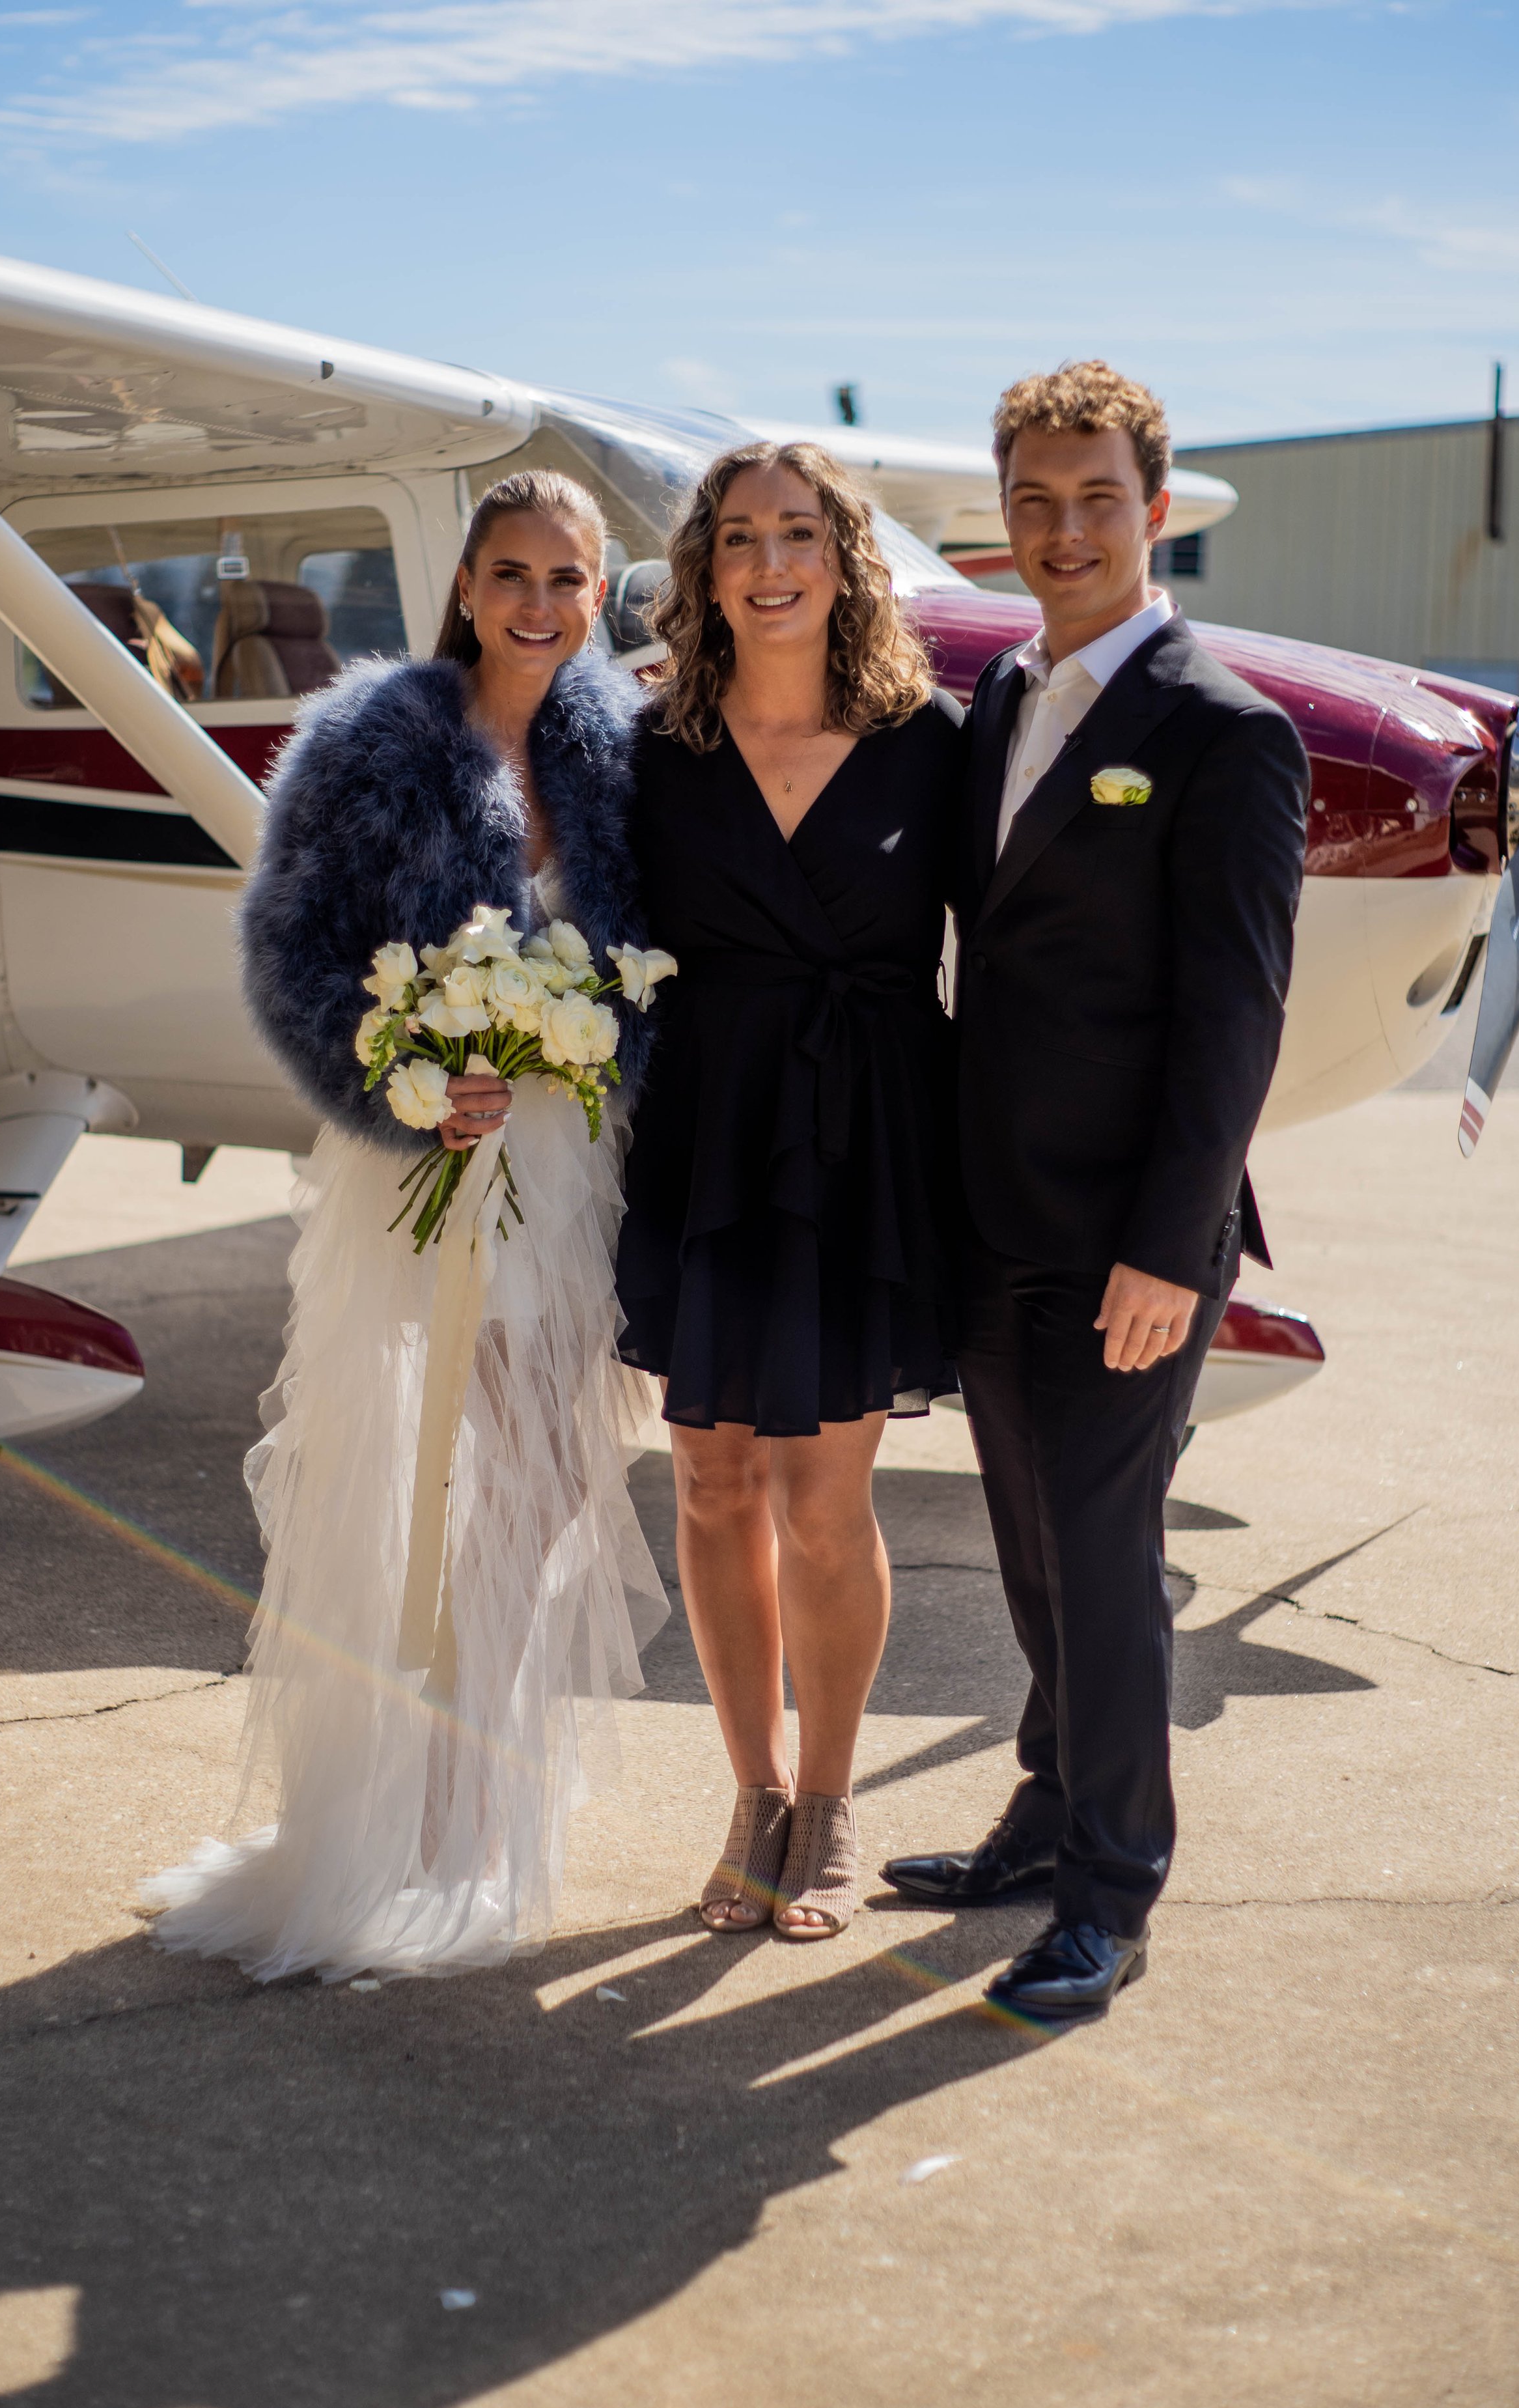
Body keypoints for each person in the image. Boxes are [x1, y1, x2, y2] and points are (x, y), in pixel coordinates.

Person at [143, 470, 669, 1982]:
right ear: (466, 584)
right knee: (425, 1477)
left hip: (578, 1168)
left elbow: (659, 956)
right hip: (430, 1163)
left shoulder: (621, 753)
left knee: (548, 1483)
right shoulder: (368, 740)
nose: (537, 604)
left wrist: (604, 1046)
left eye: (565, 579)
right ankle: (404, 1824)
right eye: (511, 573)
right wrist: (405, 1085)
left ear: (595, 593)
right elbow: (289, 950)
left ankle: (462, 1792)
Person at [882, 363, 1308, 2020]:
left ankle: (1111, 1892)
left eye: (1096, 501)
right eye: (1033, 502)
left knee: (1105, 1560)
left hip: (1129, 1241)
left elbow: (1231, 1023)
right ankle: (1047, 1811)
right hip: (992, 1214)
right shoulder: (998, 699)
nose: (1063, 531)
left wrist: (1166, 1251)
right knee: (1031, 1550)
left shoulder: (1224, 731)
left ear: (1155, 511)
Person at [616, 440, 965, 1941]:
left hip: (864, 1146)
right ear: (704, 571)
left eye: (799, 534)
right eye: (741, 538)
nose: (770, 564)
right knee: (708, 1482)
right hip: (701, 1140)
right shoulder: (652, 749)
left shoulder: (929, 742)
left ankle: (827, 1802)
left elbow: (1014, 956)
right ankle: (750, 1793)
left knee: (822, 1496)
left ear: (844, 558)